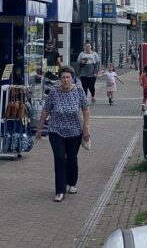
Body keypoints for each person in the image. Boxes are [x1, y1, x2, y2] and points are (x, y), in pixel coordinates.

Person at [35, 66, 90, 202]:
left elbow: (85, 109)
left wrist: (86, 128)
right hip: (56, 130)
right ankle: (60, 190)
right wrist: (40, 128)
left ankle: (72, 183)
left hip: (75, 130)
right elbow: (46, 111)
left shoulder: (78, 90)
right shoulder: (54, 92)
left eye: (68, 77)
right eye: (63, 77)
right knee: (59, 158)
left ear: (72, 78)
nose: (66, 80)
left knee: (72, 158)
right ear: (59, 79)